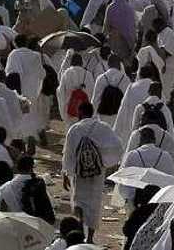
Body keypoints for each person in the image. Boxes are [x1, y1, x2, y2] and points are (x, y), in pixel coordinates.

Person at [61, 101, 123, 243]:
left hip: (79, 174)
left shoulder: (74, 129)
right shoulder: (103, 128)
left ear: (80, 112)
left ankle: (80, 229)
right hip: (97, 173)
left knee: (79, 202)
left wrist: (66, 173)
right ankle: (90, 237)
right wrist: (105, 162)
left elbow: (68, 154)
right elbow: (117, 146)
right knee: (94, 203)